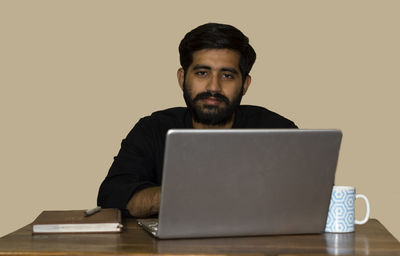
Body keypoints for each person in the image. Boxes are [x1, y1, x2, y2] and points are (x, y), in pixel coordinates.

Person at [97, 23, 297, 217]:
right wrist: (193, 193)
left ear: (245, 84)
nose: (214, 87)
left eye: (227, 76)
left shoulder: (278, 131)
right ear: (182, 78)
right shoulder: (152, 129)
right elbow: (112, 196)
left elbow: (312, 197)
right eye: (202, 73)